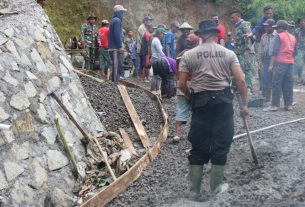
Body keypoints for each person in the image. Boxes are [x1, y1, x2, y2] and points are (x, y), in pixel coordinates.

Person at [179, 19, 248, 201]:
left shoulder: (189, 55)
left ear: (201, 35)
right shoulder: (229, 53)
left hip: (200, 100)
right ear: (216, 34)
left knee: (199, 144)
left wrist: (192, 98)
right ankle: (216, 189)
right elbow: (241, 81)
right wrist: (245, 105)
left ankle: (194, 191)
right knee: (221, 143)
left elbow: (181, 84)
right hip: (223, 101)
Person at [174, 33, 199, 142]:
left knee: (181, 108)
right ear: (197, 42)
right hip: (194, 83)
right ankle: (194, 134)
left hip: (181, 83)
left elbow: (176, 72)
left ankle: (177, 134)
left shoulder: (180, 54)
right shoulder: (197, 54)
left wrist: (177, 82)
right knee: (196, 109)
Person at [267, 20, 297, 111]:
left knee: (276, 83)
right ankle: (288, 105)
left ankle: (274, 105)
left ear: (281, 28)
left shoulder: (279, 36)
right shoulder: (293, 37)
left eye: (277, 28)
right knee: (288, 84)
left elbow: (275, 52)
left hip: (280, 63)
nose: (276, 30)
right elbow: (295, 53)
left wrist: (271, 65)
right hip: (290, 64)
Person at [231, 11, 253, 92]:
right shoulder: (237, 26)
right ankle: (236, 87)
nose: (231, 19)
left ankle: (248, 87)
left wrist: (247, 49)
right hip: (238, 51)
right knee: (237, 68)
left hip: (244, 51)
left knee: (246, 69)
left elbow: (248, 36)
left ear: (238, 16)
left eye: (233, 17)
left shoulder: (245, 24)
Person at [258, 19, 277, 101]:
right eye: (265, 26)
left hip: (276, 59)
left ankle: (276, 96)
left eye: (267, 26)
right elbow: (260, 49)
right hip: (266, 59)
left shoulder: (277, 35)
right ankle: (267, 96)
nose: (265, 28)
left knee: (276, 78)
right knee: (265, 78)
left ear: (272, 26)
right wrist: (259, 60)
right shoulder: (264, 36)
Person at [108, 5, 127, 83]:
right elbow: (117, 35)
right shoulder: (117, 21)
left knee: (116, 65)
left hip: (113, 48)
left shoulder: (114, 20)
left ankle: (115, 81)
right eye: (122, 12)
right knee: (116, 66)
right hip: (114, 48)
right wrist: (120, 47)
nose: (123, 14)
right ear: (119, 12)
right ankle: (115, 83)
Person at [150, 28, 167, 93]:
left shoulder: (156, 40)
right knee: (155, 75)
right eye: (163, 34)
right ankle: (153, 90)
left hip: (157, 59)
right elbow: (160, 51)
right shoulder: (156, 40)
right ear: (159, 34)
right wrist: (165, 57)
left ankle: (157, 89)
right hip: (155, 59)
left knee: (158, 75)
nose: (163, 36)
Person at [293, 16, 305, 83]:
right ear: (299, 23)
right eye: (301, 21)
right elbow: (293, 41)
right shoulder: (296, 31)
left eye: (304, 21)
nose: (303, 22)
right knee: (299, 64)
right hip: (299, 49)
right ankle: (300, 77)